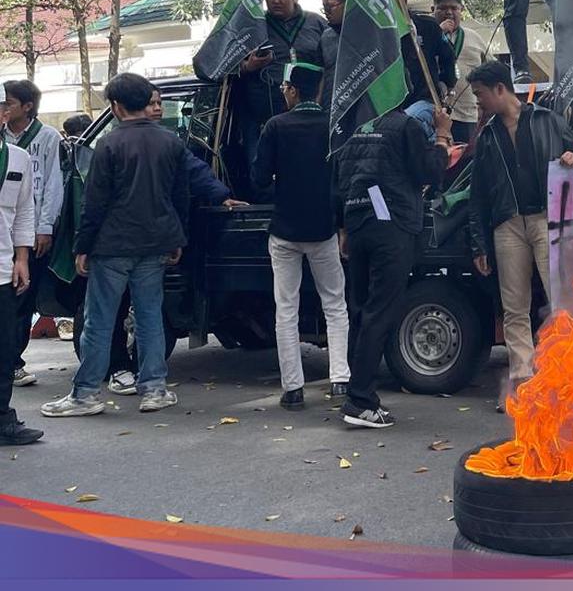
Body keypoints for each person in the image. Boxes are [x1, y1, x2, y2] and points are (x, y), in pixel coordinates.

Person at [41, 73, 189, 418]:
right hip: (156, 242)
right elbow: (180, 195)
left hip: (112, 245)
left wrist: (82, 246)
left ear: (116, 106)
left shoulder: (108, 144)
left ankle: (86, 394)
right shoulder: (171, 141)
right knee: (150, 316)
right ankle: (154, 389)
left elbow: (95, 203)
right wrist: (178, 237)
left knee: (100, 320)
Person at [103, 90, 246, 397]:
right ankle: (118, 370)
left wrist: (221, 196)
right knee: (115, 313)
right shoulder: (115, 143)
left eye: (159, 104)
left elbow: (195, 173)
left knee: (143, 313)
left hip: (149, 240)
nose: (156, 109)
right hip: (121, 241)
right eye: (151, 103)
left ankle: (118, 384)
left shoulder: (169, 143)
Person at [466, 61, 573, 409]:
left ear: (500, 89)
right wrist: (479, 243)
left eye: (480, 95)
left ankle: (568, 378)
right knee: (514, 307)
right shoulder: (486, 136)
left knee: (560, 300)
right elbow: (478, 195)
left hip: (547, 219)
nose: (478, 103)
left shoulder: (547, 119)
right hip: (507, 225)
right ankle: (523, 383)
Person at [332, 103, 452, 428]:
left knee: (360, 310)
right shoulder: (406, 127)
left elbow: (340, 179)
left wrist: (343, 226)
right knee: (380, 311)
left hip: (358, 225)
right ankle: (361, 401)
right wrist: (442, 135)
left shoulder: (357, 129)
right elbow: (430, 172)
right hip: (392, 224)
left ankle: (354, 394)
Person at [253, 63, 350, 410]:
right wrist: (341, 224)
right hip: (323, 230)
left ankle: (292, 388)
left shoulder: (275, 127)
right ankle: (340, 379)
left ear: (292, 90)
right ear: (319, 92)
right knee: (335, 306)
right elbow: (341, 182)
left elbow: (259, 179)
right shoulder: (332, 127)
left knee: (286, 309)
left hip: (284, 231)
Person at [234, 0, 328, 198]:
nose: (276, 0)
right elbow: (220, 67)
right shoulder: (253, 26)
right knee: (262, 180)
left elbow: (333, 63)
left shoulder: (316, 23)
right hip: (263, 120)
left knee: (312, 175)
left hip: (311, 119)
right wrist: (248, 66)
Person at [3, 80, 65, 387]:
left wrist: (45, 228)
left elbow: (52, 185)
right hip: (4, 232)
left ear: (27, 106)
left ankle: (13, 360)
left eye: (10, 103)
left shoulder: (48, 137)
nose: (4, 108)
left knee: (22, 299)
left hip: (31, 231)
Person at [0, 83, 40, 445]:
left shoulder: (17, 158)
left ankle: (3, 421)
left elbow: (25, 209)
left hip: (3, 267)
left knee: (5, 347)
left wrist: (22, 257)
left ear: (5, 113)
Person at [393, 0, 457, 142]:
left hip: (422, 100)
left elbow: (448, 58)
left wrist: (445, 86)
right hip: (388, 106)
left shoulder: (427, 26)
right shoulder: (374, 30)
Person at [433, 0, 491, 145]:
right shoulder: (426, 36)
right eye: (442, 8)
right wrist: (438, 33)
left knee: (465, 164)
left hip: (467, 115)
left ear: (461, 10)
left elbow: (491, 72)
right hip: (435, 115)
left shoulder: (475, 37)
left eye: (454, 8)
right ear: (433, 9)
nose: (449, 12)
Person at [318, 0, 348, 110]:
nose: (326, 12)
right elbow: (322, 74)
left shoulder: (371, 35)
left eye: (330, 7)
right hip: (331, 109)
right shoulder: (326, 37)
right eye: (324, 8)